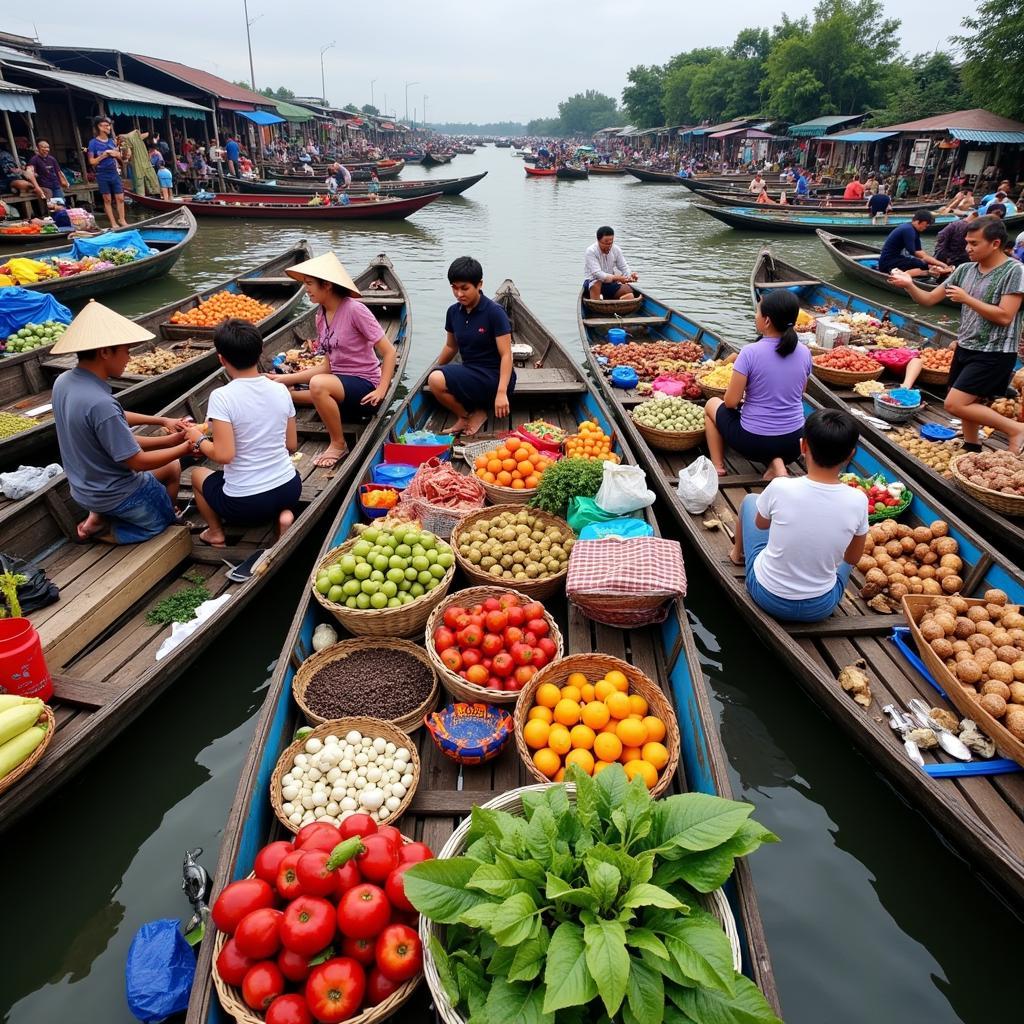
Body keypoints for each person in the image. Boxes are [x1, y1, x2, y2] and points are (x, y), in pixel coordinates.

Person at [49, 300, 193, 544]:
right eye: (126, 350)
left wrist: (163, 423)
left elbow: (110, 423)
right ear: (105, 352)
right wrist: (186, 446)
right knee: (162, 521)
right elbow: (137, 461)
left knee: (172, 467)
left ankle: (97, 515)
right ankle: (105, 530)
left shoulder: (64, 381)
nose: (129, 357)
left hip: (83, 489)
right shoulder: (100, 404)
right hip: (116, 493)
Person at [890, 216, 1024, 453]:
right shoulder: (964, 270)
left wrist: (967, 299)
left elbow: (1005, 316)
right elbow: (929, 299)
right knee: (968, 403)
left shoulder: (1014, 271)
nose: (967, 248)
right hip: (966, 345)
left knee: (954, 404)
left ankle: (1015, 429)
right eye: (967, 242)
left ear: (995, 244)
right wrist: (909, 284)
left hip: (995, 351)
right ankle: (972, 447)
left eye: (974, 243)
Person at [730, 409, 868, 624]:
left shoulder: (781, 487)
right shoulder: (858, 500)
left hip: (766, 595)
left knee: (750, 502)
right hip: (820, 607)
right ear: (851, 454)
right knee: (846, 559)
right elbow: (852, 558)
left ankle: (736, 555)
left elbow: (760, 524)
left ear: (803, 446)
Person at [273, 252, 396, 468]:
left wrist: (381, 389)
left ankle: (338, 444)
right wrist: (283, 379)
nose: (306, 289)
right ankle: (310, 397)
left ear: (327, 285)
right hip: (339, 386)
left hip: (365, 389)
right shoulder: (320, 315)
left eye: (310, 284)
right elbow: (328, 366)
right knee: (283, 392)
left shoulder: (355, 310)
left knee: (318, 384)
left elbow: (389, 352)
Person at [184, 320, 299, 547]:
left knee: (197, 474)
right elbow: (291, 445)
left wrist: (197, 439)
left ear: (221, 359)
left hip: (246, 504)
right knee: (275, 489)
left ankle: (216, 533)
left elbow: (224, 455)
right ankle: (284, 515)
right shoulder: (280, 389)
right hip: (290, 488)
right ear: (260, 353)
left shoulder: (222, 396)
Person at [704, 290, 812, 481]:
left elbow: (730, 402)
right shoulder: (804, 352)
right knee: (776, 431)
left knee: (712, 404)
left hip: (754, 443)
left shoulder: (749, 352)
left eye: (757, 312)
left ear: (767, 321)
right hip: (795, 443)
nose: (755, 317)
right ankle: (777, 466)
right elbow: (800, 392)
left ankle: (718, 466)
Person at [428, 256, 515, 436]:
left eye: (465, 288)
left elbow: (507, 355)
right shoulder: (453, 312)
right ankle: (465, 415)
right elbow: (451, 347)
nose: (459, 294)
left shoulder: (494, 312)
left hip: (495, 375)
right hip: (470, 371)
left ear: (479, 285)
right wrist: (434, 369)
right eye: (454, 288)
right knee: (434, 378)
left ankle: (478, 412)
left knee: (436, 378)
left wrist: (501, 392)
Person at [877, 210, 952, 277]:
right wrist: (942, 264)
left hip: (895, 259)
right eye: (926, 225)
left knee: (922, 263)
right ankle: (930, 272)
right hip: (887, 263)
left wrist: (937, 263)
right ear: (919, 221)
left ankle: (934, 270)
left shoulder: (914, 231)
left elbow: (921, 252)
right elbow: (915, 253)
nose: (926, 227)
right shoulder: (908, 230)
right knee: (918, 264)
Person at [87, 116, 129, 228]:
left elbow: (123, 159)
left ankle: (122, 220)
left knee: (120, 198)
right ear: (99, 127)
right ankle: (113, 223)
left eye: (109, 125)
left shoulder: (113, 141)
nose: (109, 127)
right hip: (101, 174)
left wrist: (118, 155)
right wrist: (103, 155)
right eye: (106, 125)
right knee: (107, 199)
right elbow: (92, 161)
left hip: (114, 173)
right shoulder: (93, 143)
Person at [583, 226, 638, 300]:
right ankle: (598, 300)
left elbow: (624, 267)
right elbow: (598, 274)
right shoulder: (591, 251)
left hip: (609, 283)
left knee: (629, 290)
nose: (608, 246)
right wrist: (617, 278)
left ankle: (606, 299)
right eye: (606, 243)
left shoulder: (616, 249)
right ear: (598, 241)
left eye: (611, 243)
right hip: (592, 282)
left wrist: (629, 276)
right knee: (596, 284)